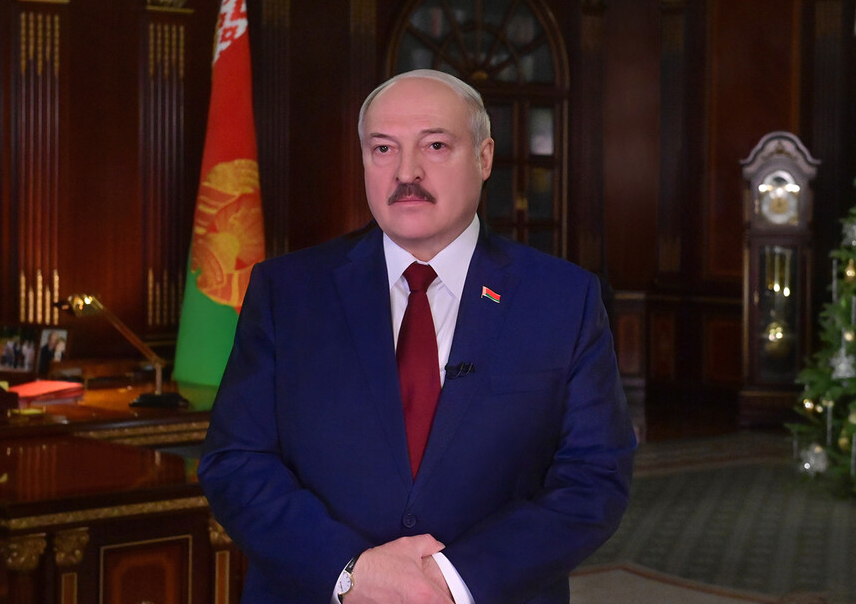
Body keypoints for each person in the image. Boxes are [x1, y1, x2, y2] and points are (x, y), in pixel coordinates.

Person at [199, 69, 636, 604]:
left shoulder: (564, 298)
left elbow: (594, 477)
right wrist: (350, 572)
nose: (406, 172)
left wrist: (453, 583)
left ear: (485, 158)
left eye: (435, 145)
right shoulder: (286, 291)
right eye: (383, 148)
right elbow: (235, 461)